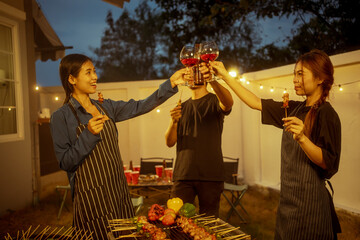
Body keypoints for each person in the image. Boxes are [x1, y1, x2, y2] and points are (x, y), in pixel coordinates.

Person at [50, 53, 185, 239]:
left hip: (117, 192)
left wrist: (171, 84)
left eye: (94, 71)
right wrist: (88, 134)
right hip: (91, 197)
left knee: (126, 236)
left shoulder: (106, 107)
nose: (95, 77)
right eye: (88, 72)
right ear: (72, 79)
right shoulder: (61, 117)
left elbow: (141, 105)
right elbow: (66, 162)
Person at [210, 49, 341, 239]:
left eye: (300, 74)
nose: (295, 79)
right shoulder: (292, 109)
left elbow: (329, 163)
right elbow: (255, 102)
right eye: (294, 74)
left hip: (312, 205)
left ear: (320, 78)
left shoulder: (327, 114)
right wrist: (224, 76)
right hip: (288, 202)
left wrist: (303, 138)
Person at [165, 63, 233, 217]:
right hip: (183, 175)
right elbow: (169, 142)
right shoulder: (182, 106)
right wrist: (174, 122)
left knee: (208, 224)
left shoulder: (215, 100)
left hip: (211, 175)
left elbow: (228, 103)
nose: (191, 75)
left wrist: (213, 80)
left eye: (196, 71)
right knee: (177, 222)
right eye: (189, 72)